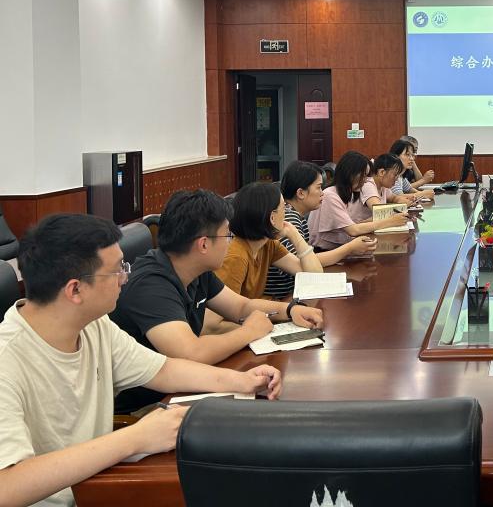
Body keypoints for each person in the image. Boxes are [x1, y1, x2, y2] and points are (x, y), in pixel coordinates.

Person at [0, 214, 282, 507]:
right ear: (75, 290)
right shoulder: (7, 359)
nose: (125, 278)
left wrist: (243, 381)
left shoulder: (95, 325)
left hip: (98, 488)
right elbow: (6, 486)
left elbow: (163, 370)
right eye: (116, 271)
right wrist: (137, 437)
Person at [111, 189, 324, 413]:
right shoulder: (151, 284)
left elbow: (240, 306)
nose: (230, 243)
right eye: (227, 236)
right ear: (203, 244)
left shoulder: (195, 269)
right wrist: (248, 331)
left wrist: (290, 310)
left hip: (183, 389)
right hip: (142, 409)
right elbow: (190, 353)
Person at [263, 161, 376, 297]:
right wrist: (350, 248)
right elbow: (304, 263)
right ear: (301, 193)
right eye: (319, 188)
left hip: (296, 290)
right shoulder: (289, 218)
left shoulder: (295, 215)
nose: (323, 193)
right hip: (283, 296)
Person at [214, 181, 323, 300]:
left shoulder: (268, 244)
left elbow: (314, 277)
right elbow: (226, 308)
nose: (287, 211)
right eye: (284, 207)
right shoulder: (236, 257)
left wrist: (294, 234)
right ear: (272, 218)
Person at [308, 151, 409, 248]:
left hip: (340, 244)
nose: (365, 180)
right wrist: (390, 221)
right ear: (350, 173)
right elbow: (353, 230)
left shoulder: (349, 193)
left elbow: (355, 224)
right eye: (364, 175)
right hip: (323, 250)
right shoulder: (330, 195)